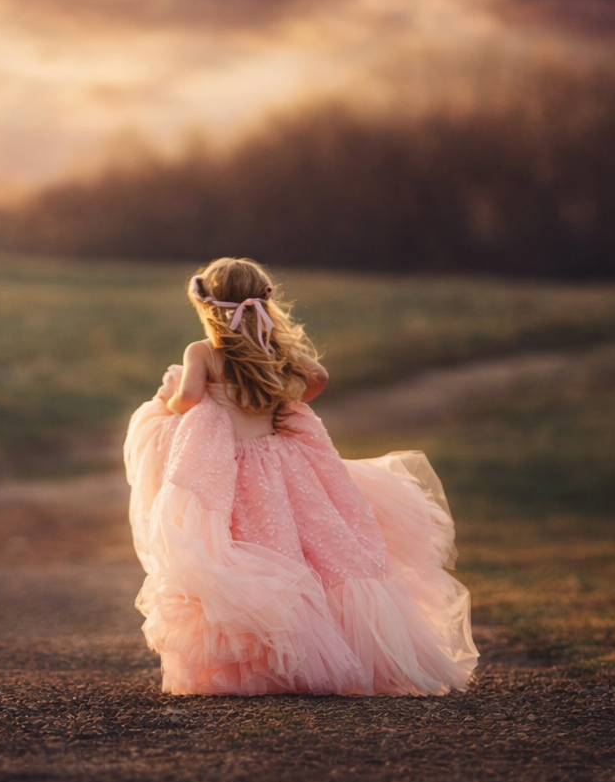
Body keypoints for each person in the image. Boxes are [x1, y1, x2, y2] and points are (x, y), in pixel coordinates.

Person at [125, 257, 479, 696]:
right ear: (265, 298)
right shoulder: (273, 349)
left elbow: (191, 396)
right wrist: (285, 402)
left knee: (249, 546)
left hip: (232, 467)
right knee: (308, 546)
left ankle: (266, 659)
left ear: (208, 307)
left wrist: (167, 402)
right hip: (278, 463)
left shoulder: (203, 352)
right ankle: (328, 650)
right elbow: (319, 376)